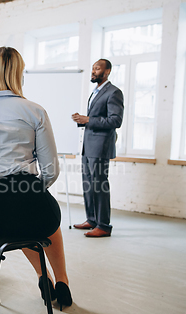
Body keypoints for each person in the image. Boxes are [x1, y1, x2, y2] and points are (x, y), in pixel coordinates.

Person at [0, 47, 73, 308]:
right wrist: (29, 191)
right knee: (35, 214)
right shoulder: (34, 112)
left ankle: (44, 276)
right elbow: (51, 171)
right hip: (27, 206)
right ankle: (62, 281)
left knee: (11, 213)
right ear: (18, 73)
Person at [71, 59, 124, 237]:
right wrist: (82, 120)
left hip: (100, 147)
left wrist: (88, 120)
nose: (93, 71)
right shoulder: (96, 92)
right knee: (88, 185)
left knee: (99, 185)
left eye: (98, 68)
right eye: (93, 68)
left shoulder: (114, 92)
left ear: (107, 71)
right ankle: (92, 220)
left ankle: (103, 225)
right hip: (88, 146)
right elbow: (95, 118)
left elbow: (116, 120)